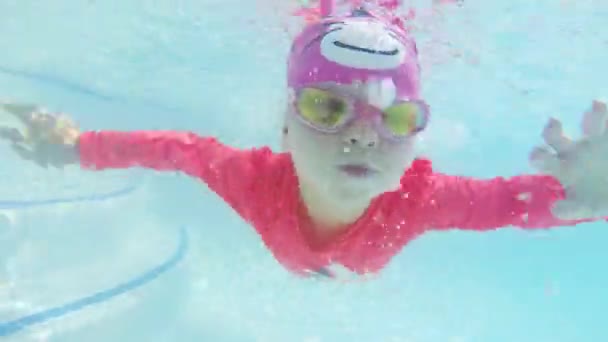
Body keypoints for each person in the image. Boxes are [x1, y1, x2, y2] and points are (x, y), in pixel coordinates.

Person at [1, 2, 607, 279]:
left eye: (395, 118)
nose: (362, 138)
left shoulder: (421, 197)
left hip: (344, 266)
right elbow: (174, 148)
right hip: (310, 260)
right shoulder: (252, 178)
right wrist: (79, 146)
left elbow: (510, 202)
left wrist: (583, 194)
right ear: (285, 125)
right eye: (327, 108)